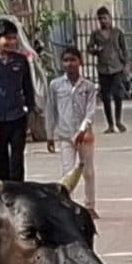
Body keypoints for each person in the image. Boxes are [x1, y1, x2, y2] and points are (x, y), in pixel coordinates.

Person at [0, 19, 38, 183]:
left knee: (17, 162)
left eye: (14, 38)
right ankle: (4, 196)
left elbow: (28, 88)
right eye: (7, 38)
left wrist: (31, 112)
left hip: (17, 118)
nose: (11, 42)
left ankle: (18, 194)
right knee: (0, 163)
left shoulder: (21, 60)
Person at [46, 48, 102, 210]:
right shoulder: (55, 85)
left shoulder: (88, 86)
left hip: (85, 137)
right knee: (67, 172)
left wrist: (82, 130)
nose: (69, 64)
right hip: (65, 135)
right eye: (66, 60)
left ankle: (90, 206)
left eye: (73, 60)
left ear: (80, 62)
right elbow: (51, 111)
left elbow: (90, 111)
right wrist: (50, 135)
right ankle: (66, 206)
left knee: (88, 172)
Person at [88, 7, 130, 134]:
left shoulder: (117, 32)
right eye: (100, 19)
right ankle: (110, 124)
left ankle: (118, 120)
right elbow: (89, 48)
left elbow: (124, 49)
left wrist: (126, 64)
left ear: (110, 18)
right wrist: (96, 51)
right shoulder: (95, 34)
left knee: (118, 95)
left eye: (105, 18)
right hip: (103, 69)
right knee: (106, 97)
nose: (103, 21)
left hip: (117, 67)